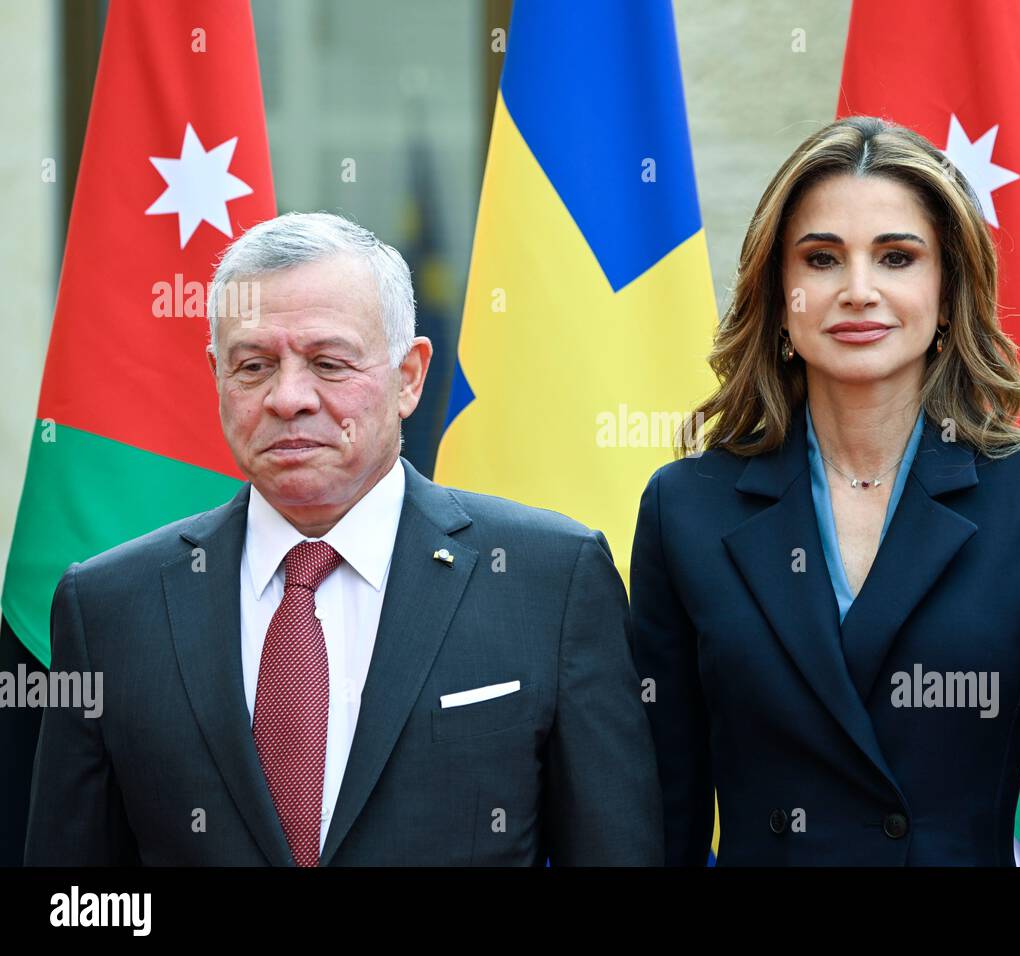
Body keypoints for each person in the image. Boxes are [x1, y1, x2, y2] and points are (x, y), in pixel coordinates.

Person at [25, 212, 662, 866]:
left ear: (409, 376)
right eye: (254, 365)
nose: (288, 397)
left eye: (328, 363)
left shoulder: (547, 581)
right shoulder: (108, 607)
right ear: (216, 375)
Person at [630, 116, 1020, 866]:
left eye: (897, 257)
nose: (858, 291)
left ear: (946, 293)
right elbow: (660, 823)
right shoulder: (685, 507)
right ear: (780, 293)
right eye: (822, 259)